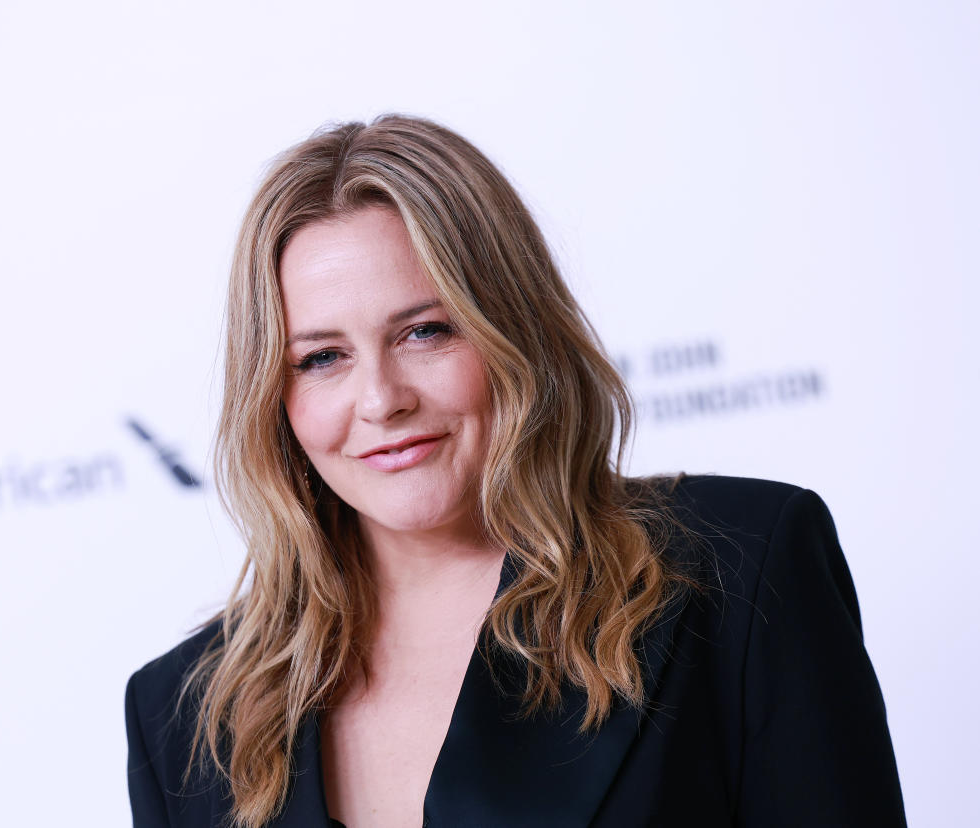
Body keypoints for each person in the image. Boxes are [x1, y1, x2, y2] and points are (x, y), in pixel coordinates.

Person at [124, 115, 906, 828]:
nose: (381, 399)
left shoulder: (738, 573)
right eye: (322, 358)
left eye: (426, 332)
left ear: (513, 332)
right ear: (276, 396)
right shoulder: (183, 719)